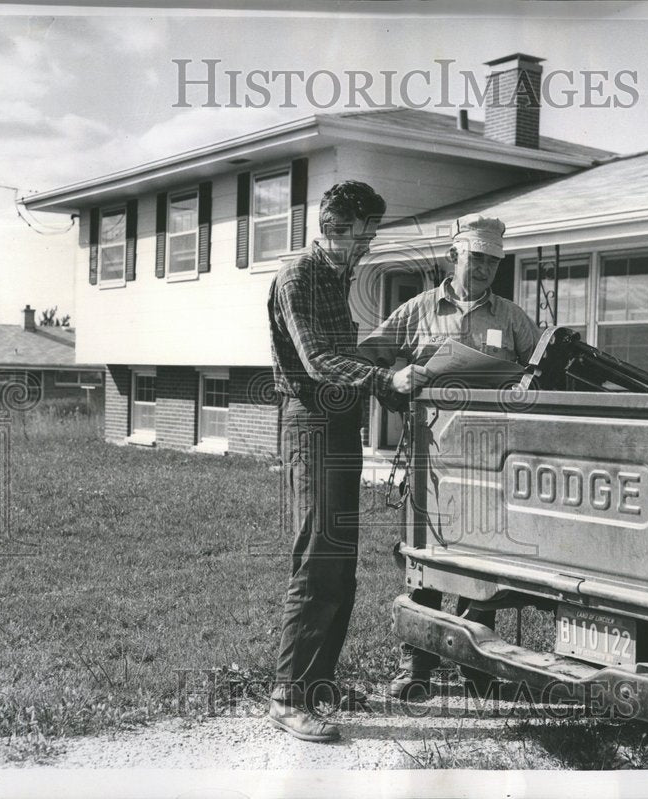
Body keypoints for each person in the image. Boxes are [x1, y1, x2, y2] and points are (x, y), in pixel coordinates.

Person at [266, 181, 429, 742]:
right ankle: (288, 694)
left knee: (341, 560)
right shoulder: (301, 276)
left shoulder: (336, 275)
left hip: (339, 424)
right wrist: (384, 379)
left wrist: (389, 380)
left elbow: (346, 356)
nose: (369, 245)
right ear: (334, 223)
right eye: (364, 233)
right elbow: (317, 360)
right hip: (310, 424)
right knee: (316, 558)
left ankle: (319, 683)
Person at [359, 213, 541, 699]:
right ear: (452, 257)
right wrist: (395, 385)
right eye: (476, 258)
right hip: (431, 460)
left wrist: (523, 384)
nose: (483, 269)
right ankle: (415, 666)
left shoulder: (513, 319)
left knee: (483, 564)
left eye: (493, 262)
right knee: (425, 561)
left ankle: (477, 666)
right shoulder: (417, 311)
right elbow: (367, 359)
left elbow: (542, 377)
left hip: (490, 461)